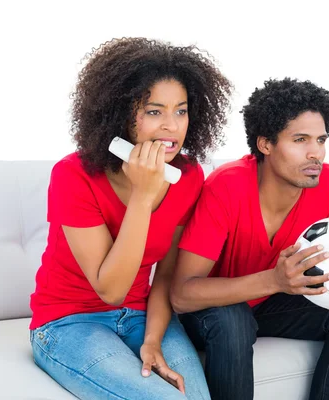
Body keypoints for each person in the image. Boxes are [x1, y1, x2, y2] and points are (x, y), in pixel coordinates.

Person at [29, 37, 232, 400]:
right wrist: (143, 195)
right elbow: (110, 289)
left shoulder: (186, 177)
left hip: (141, 317)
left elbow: (166, 275)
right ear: (119, 113)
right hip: (69, 322)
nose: (172, 126)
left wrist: (153, 340)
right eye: (154, 112)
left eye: (181, 111)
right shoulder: (72, 175)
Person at [170, 77, 329, 400]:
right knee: (233, 319)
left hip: (273, 305)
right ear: (265, 144)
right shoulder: (226, 187)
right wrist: (274, 280)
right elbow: (182, 295)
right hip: (215, 309)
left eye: (321, 139)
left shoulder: (328, 182)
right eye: (300, 140)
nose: (316, 153)